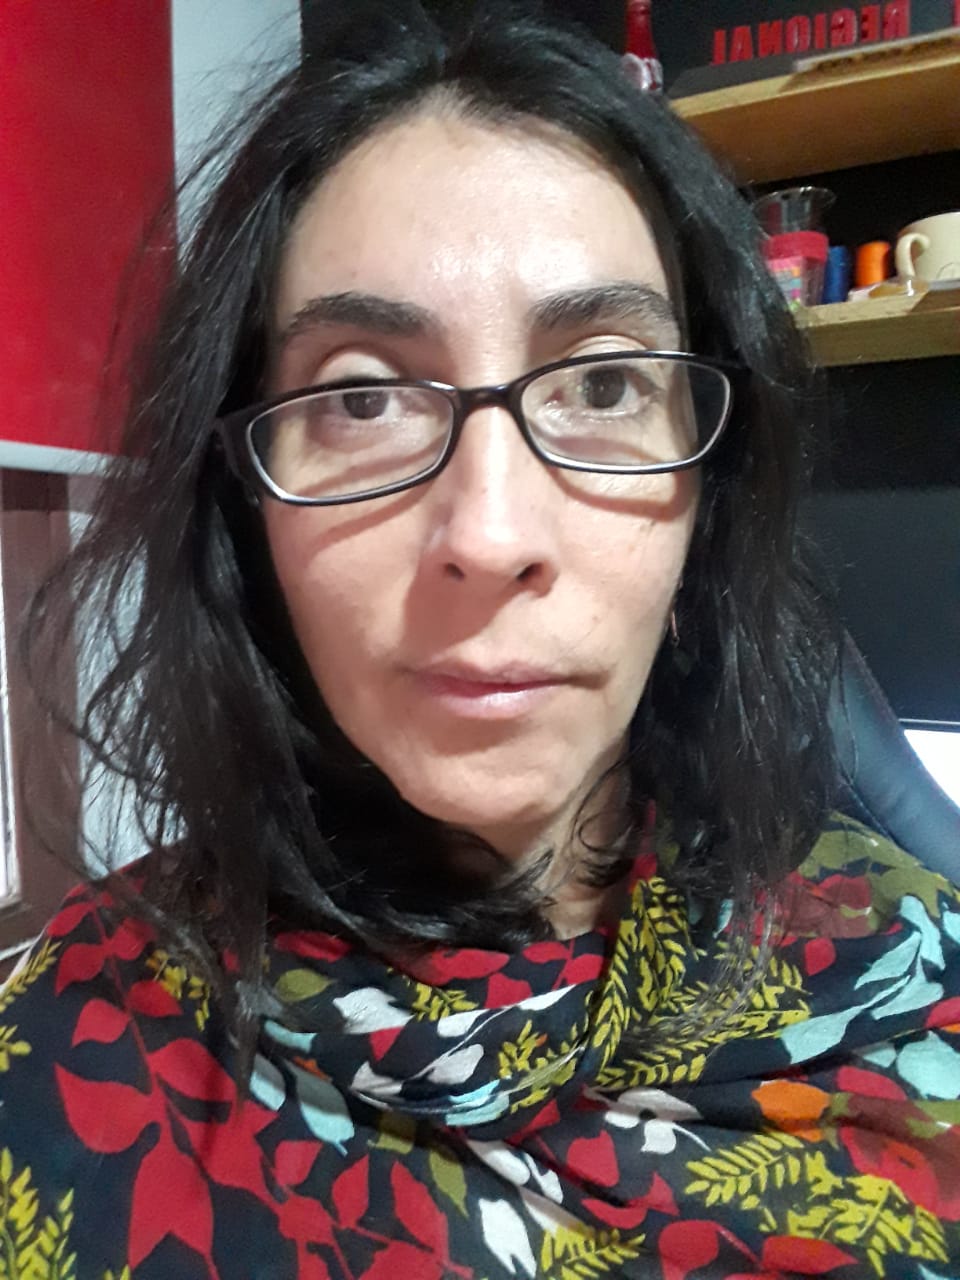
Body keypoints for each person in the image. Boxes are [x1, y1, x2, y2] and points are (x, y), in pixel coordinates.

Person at [3, 3, 959, 1277]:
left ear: (706, 502)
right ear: (246, 511)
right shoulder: (63, 1048)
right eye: (361, 397)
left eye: (605, 383)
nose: (492, 533)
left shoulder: (921, 981)